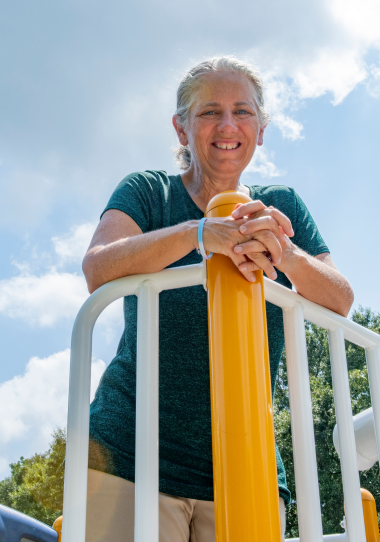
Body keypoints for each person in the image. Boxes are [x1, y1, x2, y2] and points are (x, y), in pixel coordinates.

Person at [81, 56, 354, 542]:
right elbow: (98, 266)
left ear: (261, 129)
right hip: (131, 453)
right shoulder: (148, 192)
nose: (227, 125)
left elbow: (340, 299)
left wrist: (285, 253)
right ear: (181, 128)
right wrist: (201, 232)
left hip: (246, 461)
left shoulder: (282, 205)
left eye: (242, 112)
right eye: (209, 112)